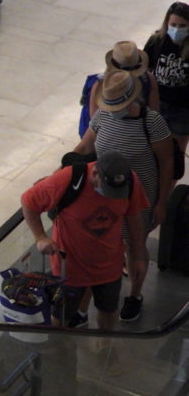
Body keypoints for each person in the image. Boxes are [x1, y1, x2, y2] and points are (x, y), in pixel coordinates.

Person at [74, 69, 173, 322]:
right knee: (101, 243)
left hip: (139, 201)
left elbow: (166, 163)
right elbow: (85, 146)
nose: (112, 108)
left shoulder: (151, 123)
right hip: (105, 198)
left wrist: (162, 202)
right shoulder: (103, 116)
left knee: (135, 247)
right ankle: (90, 300)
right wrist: (61, 171)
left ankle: (134, 295)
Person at [21, 151, 149, 332]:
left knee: (109, 309)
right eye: (107, 188)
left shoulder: (130, 181)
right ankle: (61, 353)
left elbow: (134, 219)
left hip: (109, 266)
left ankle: (104, 346)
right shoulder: (69, 178)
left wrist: (137, 256)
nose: (110, 196)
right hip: (69, 268)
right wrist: (40, 237)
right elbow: (28, 201)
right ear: (95, 173)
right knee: (61, 317)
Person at [144, 1, 189, 152]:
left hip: (183, 109)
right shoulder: (157, 41)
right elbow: (145, 67)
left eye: (182, 26)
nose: (177, 29)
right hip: (157, 103)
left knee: (176, 152)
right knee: (152, 148)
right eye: (174, 24)